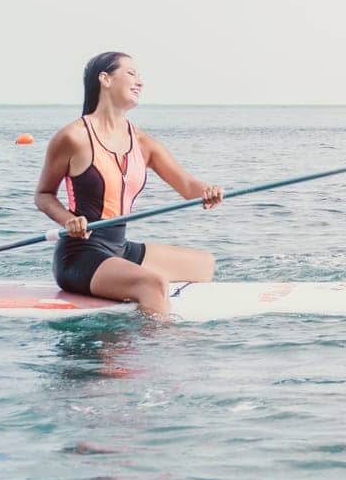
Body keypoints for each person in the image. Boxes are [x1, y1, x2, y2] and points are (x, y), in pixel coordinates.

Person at [34, 52, 222, 317]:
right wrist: (67, 220)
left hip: (119, 247)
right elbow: (43, 195)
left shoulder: (143, 142)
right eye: (131, 73)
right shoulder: (73, 137)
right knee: (152, 283)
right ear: (105, 79)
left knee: (205, 265)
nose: (140, 82)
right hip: (81, 255)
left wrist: (209, 192)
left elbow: (189, 187)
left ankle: (146, 298)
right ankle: (161, 344)